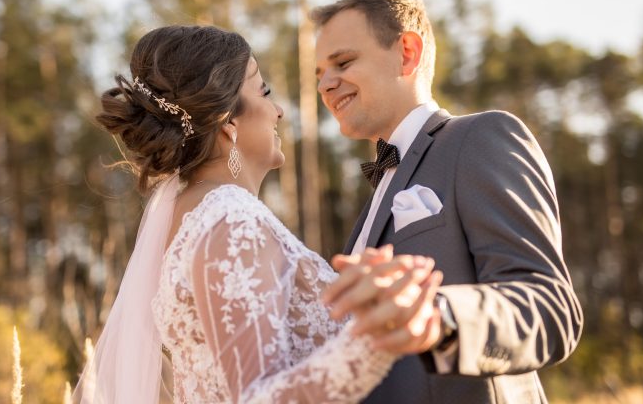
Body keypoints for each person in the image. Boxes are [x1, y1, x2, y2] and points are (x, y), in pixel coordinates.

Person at [73, 25, 444, 403]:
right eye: (264, 91)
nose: (278, 110)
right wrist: (374, 341)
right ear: (228, 122)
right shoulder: (230, 221)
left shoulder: (191, 214)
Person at [312, 0, 584, 403]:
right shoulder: (376, 196)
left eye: (343, 63)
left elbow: (550, 307)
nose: (325, 85)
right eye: (319, 74)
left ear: (407, 53)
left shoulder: (479, 138)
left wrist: (439, 316)